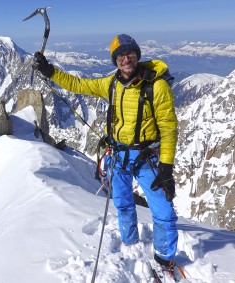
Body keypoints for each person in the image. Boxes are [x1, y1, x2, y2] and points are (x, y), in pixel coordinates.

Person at [33, 34, 179, 274]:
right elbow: (78, 84)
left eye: (130, 54)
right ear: (115, 60)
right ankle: (130, 241)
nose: (125, 59)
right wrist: (50, 71)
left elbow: (168, 127)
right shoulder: (111, 84)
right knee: (122, 205)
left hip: (147, 160)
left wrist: (166, 167)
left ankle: (164, 260)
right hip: (118, 155)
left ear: (137, 55)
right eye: (120, 56)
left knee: (163, 212)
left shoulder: (157, 86)